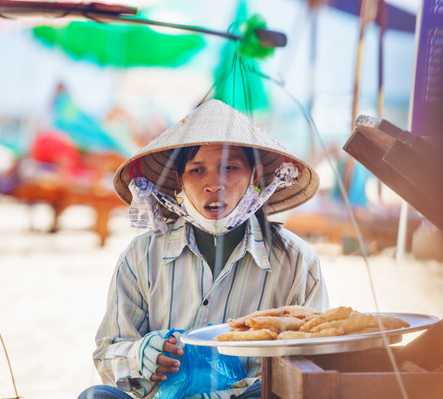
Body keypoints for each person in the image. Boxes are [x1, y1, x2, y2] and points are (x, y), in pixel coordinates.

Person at [78, 100, 329, 399]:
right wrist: (140, 356)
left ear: (255, 176)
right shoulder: (141, 256)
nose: (213, 184)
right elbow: (108, 350)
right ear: (177, 180)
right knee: (96, 395)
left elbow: (314, 356)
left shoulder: (298, 262)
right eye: (197, 170)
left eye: (230, 167)